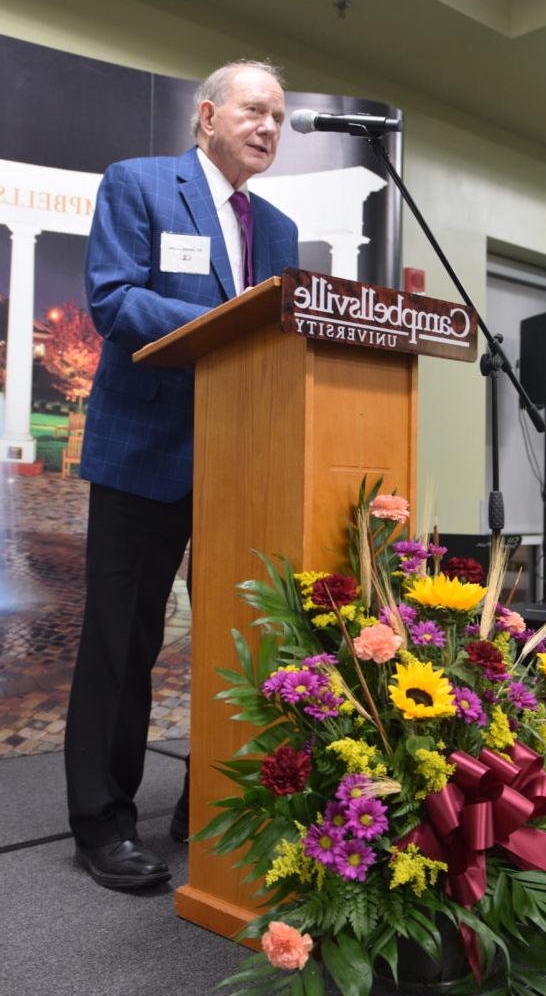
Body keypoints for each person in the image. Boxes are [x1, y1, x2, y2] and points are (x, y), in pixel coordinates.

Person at [64, 59, 298, 890]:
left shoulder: (276, 227)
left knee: (241, 640)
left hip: (242, 460)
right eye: (253, 110)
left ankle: (207, 800)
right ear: (206, 115)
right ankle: (101, 822)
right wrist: (232, 322)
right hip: (143, 453)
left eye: (278, 116)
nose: (268, 127)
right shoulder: (139, 186)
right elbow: (115, 300)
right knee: (121, 642)